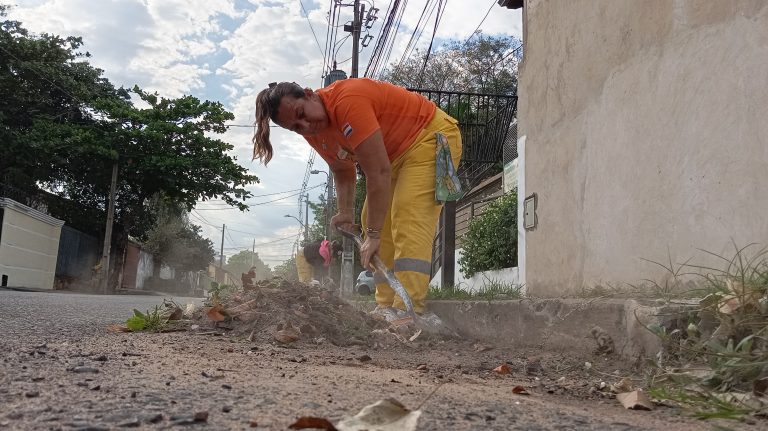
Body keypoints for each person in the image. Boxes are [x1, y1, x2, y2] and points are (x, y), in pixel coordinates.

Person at [253, 78, 462, 322]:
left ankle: (409, 309)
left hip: (431, 137)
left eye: (302, 114)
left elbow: (378, 172)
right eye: (296, 128)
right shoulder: (315, 132)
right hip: (396, 157)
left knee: (407, 216)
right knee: (370, 219)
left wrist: (372, 235)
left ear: (309, 94)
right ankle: (386, 307)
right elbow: (342, 169)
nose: (306, 126)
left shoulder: (348, 101)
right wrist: (345, 211)